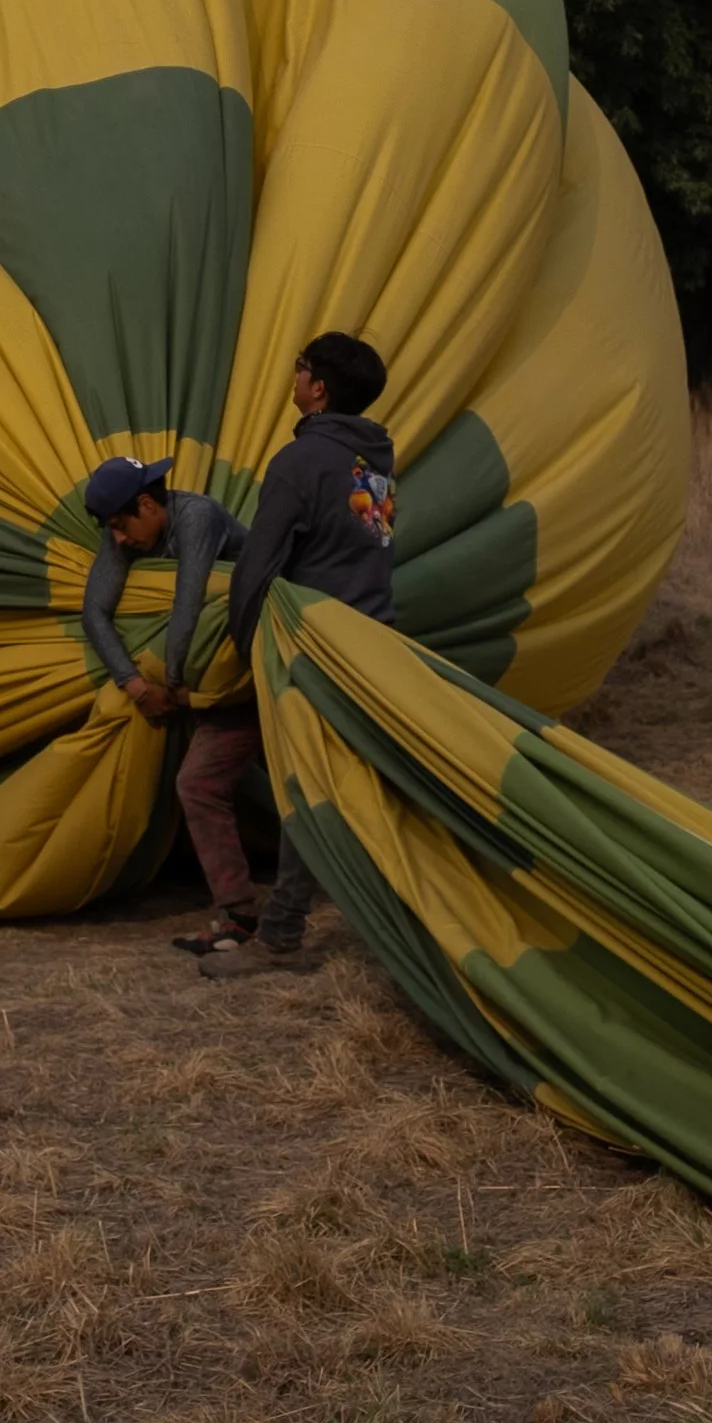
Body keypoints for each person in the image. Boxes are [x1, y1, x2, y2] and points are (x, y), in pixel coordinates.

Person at [191, 329, 397, 973]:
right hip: (374, 638)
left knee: (301, 783)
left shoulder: (298, 463)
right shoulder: (375, 462)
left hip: (315, 645)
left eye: (301, 368)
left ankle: (280, 935)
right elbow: (367, 548)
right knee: (341, 782)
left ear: (318, 389)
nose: (294, 376)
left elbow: (257, 564)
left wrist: (248, 644)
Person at [78, 455, 254, 945]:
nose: (117, 539)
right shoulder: (126, 529)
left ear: (149, 504)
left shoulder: (197, 516)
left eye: (120, 525)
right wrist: (136, 687)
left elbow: (189, 604)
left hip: (259, 671)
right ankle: (239, 916)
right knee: (197, 784)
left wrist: (173, 682)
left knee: (305, 782)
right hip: (210, 685)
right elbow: (95, 613)